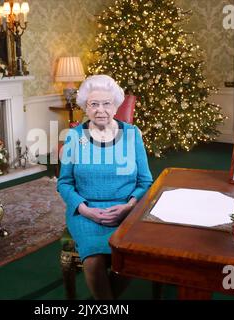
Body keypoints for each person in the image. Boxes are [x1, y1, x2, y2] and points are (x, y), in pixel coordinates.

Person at [57, 75, 153, 299]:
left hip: (126, 211)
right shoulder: (74, 137)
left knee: (133, 256)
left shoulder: (132, 134)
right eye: (94, 104)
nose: (101, 110)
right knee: (93, 261)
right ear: (85, 107)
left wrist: (129, 207)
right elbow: (65, 183)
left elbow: (145, 181)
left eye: (106, 103)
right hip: (86, 213)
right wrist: (83, 209)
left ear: (116, 105)